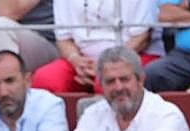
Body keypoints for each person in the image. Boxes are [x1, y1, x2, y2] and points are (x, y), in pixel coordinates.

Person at [52, 46, 190, 131]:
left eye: (124, 79)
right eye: (110, 81)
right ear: (101, 85)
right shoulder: (94, 114)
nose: (118, 87)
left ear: (141, 80)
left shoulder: (167, 115)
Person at [31, 0, 162, 92]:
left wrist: (106, 64)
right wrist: (76, 61)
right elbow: (63, 39)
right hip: (84, 61)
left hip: (130, 56)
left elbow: (142, 38)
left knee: (110, 81)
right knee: (45, 79)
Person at [0, 0, 59, 73]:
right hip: (21, 42)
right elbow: (5, 11)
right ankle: (7, 82)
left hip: (57, 43)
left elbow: (9, 12)